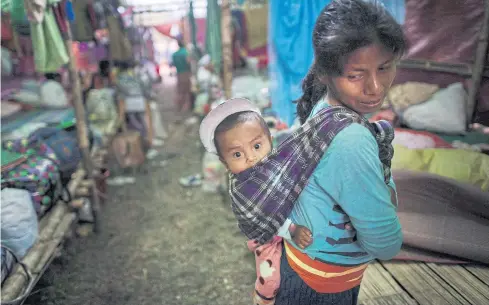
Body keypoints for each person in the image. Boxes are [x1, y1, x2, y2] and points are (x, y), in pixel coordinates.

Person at [273, 1, 406, 304]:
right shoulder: (350, 140)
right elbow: (386, 244)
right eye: (356, 75)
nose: (375, 87)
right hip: (322, 287)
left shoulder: (324, 108)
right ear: (325, 74)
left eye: (384, 67)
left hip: (301, 266)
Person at [199, 98, 314, 305]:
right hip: (267, 238)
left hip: (291, 219)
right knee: (271, 279)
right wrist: (292, 231)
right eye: (237, 154)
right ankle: (262, 299)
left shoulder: (277, 161)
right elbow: (263, 218)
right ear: (225, 162)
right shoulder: (243, 188)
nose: (251, 157)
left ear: (271, 139)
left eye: (257, 146)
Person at [172, 39, 192, 112]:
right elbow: (188, 62)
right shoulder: (185, 52)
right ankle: (186, 107)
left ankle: (179, 106)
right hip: (186, 73)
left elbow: (173, 64)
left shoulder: (174, 54)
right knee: (187, 91)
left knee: (180, 91)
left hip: (179, 74)